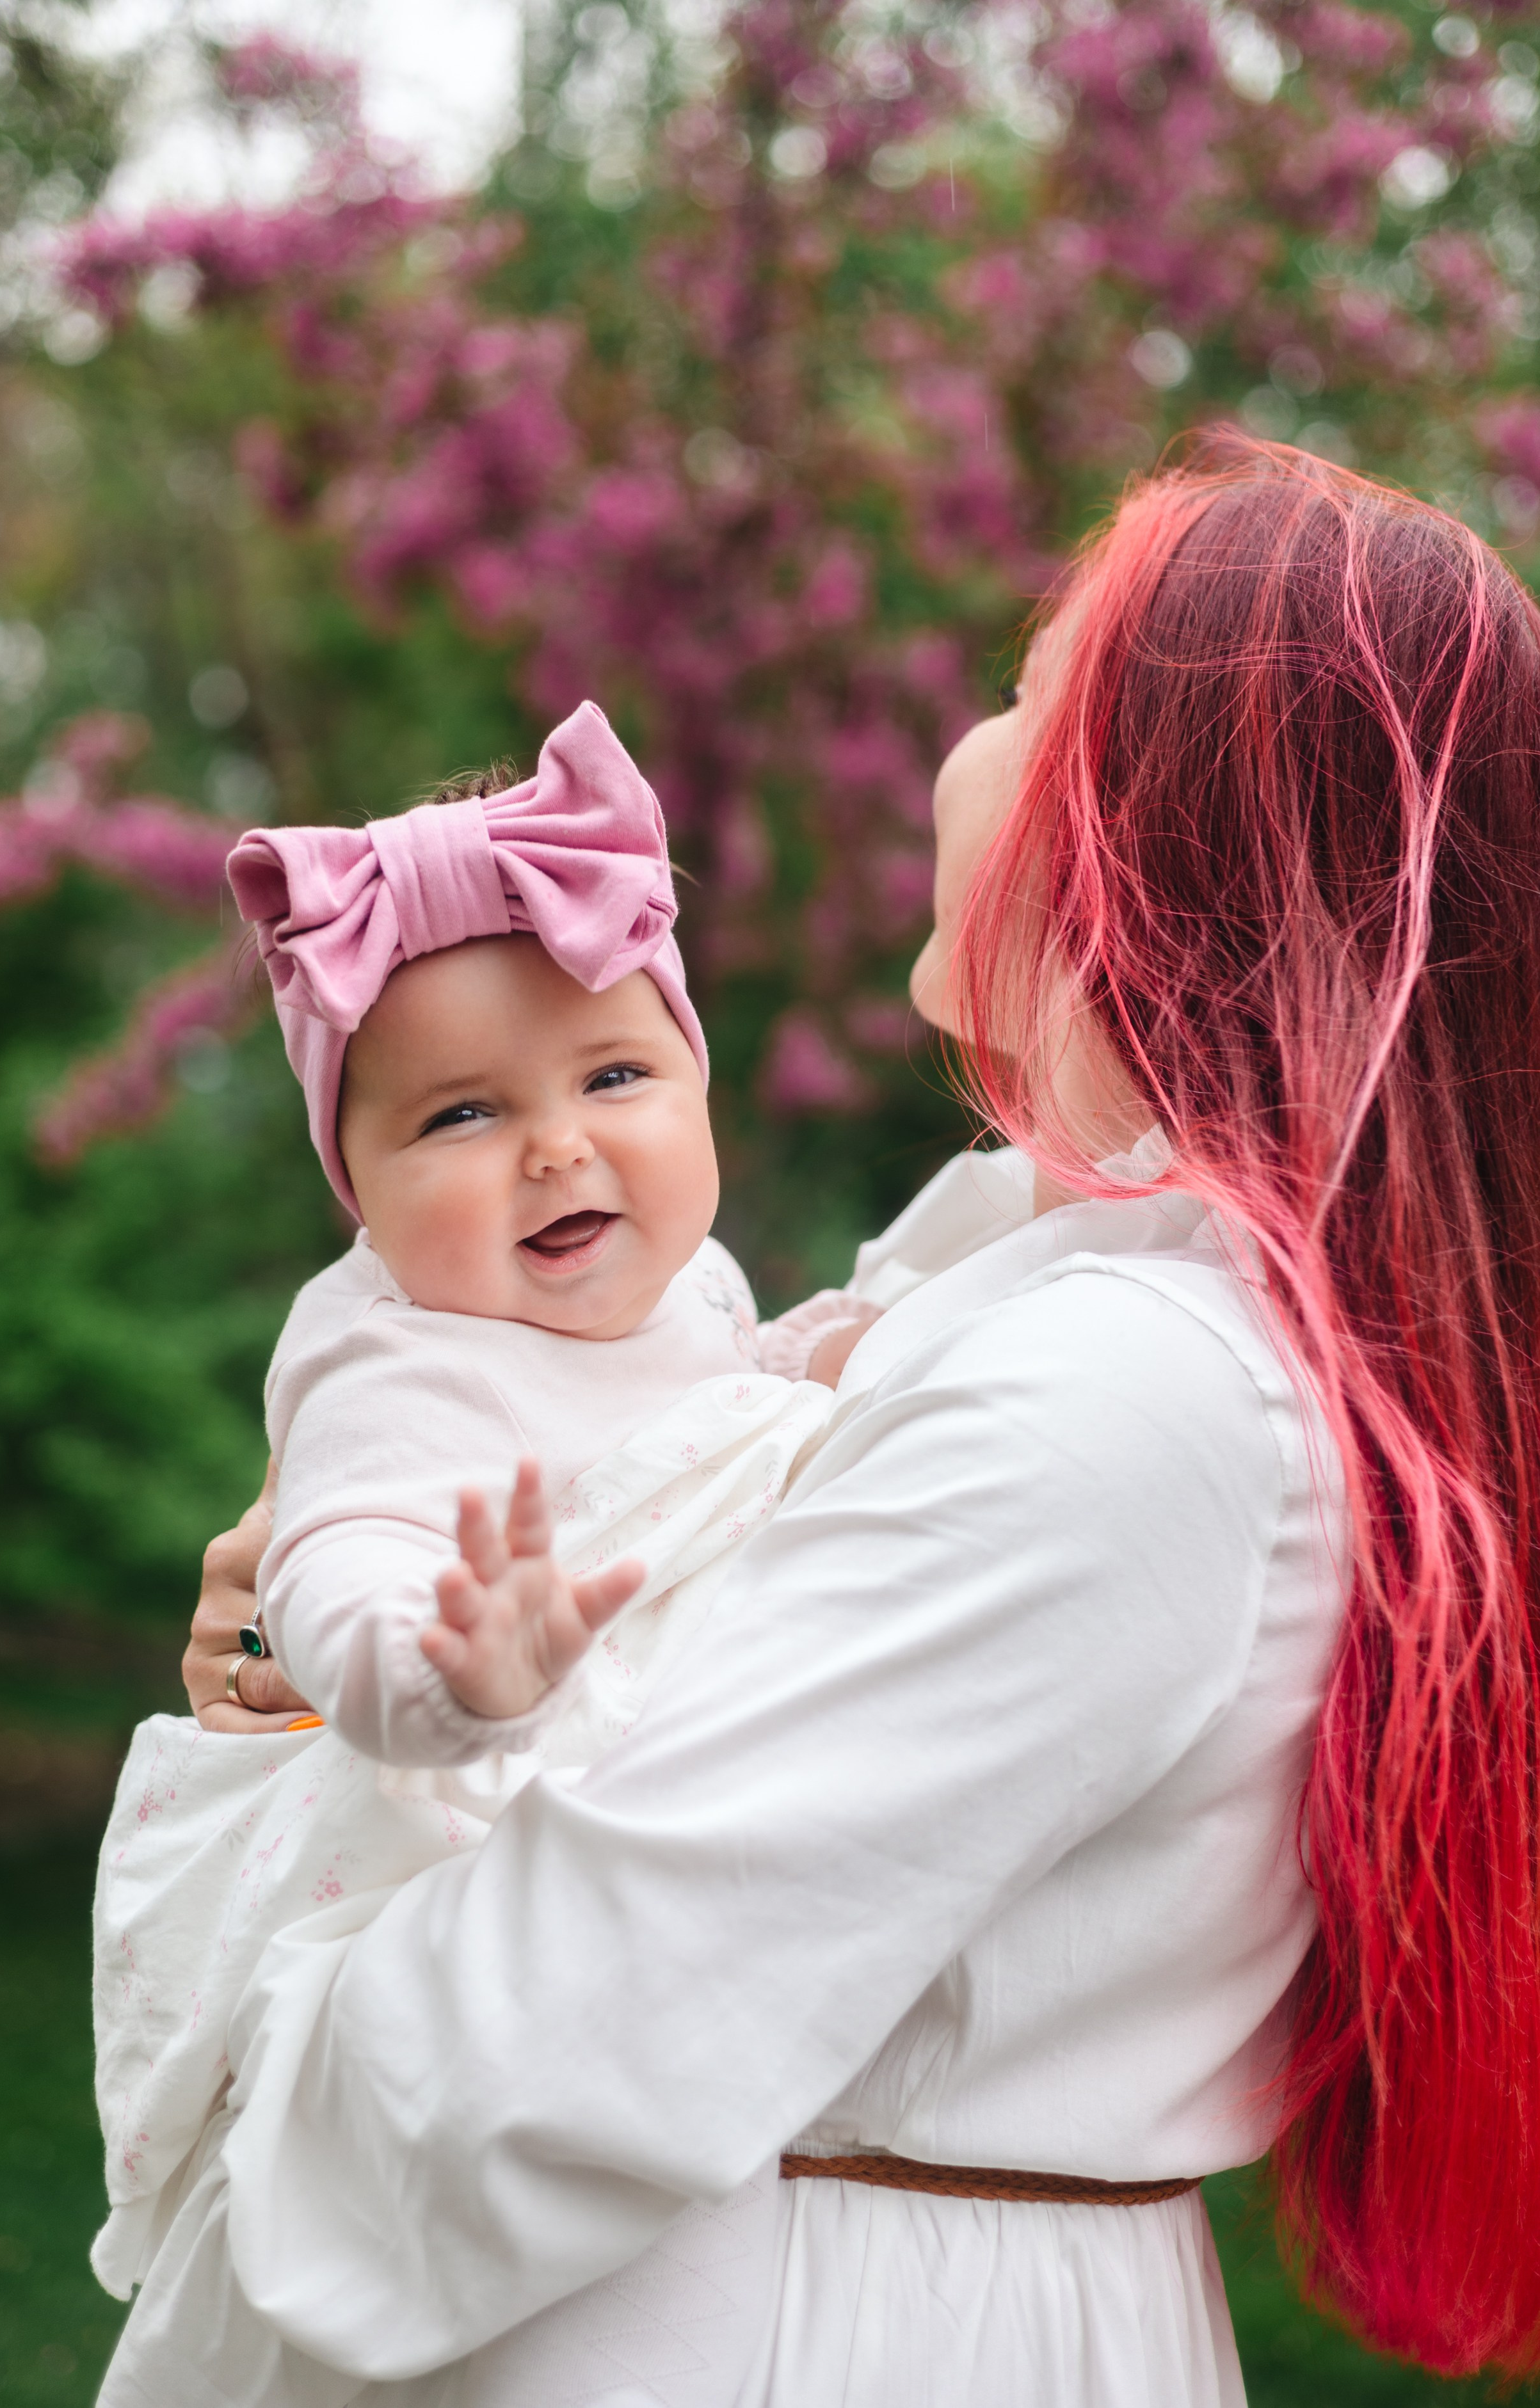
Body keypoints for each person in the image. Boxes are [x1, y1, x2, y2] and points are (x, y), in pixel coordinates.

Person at [172, 433, 1540, 2403]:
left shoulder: (1129, 1395)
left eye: (1022, 693)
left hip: (798, 2322)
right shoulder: (1006, 1284)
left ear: (1149, 826)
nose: (961, 744)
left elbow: (563, 2028)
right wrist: (349, 1658)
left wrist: (267, 2029)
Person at [93, 698, 892, 2403]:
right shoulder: (393, 1357)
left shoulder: (693, 1286)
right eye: (459, 1114)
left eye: (615, 1074)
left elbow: (706, 1404)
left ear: (695, 1079)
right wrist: (443, 1672)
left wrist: (814, 1361)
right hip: (447, 1898)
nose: (556, 1144)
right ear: (357, 1189)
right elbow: (332, 1575)